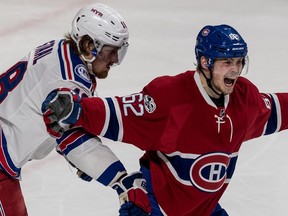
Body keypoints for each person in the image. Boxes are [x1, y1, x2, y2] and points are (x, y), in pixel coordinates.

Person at [41, 23, 288, 216]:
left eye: (238, 61)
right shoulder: (171, 98)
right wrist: (74, 108)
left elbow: (278, 109)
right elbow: (119, 113)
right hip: (155, 209)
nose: (235, 69)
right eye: (226, 62)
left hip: (204, 210)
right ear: (205, 62)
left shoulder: (244, 100)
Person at [0, 3, 151, 216]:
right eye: (111, 51)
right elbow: (70, 136)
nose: (115, 59)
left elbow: (53, 120)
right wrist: (120, 180)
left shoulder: (62, 51)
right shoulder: (69, 80)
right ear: (89, 45)